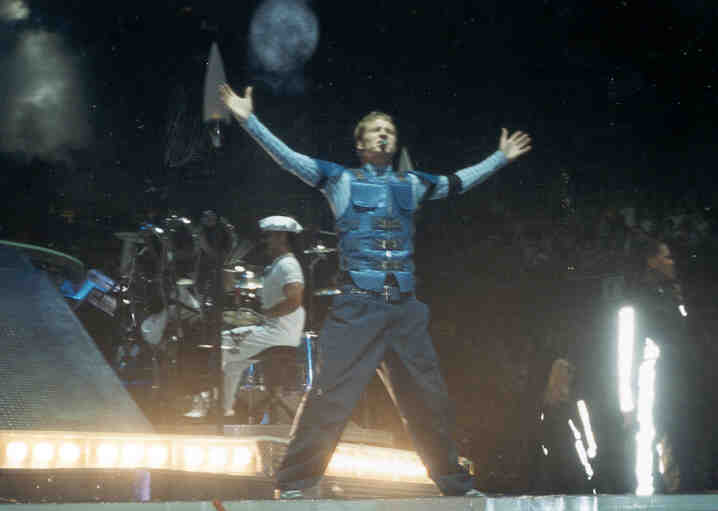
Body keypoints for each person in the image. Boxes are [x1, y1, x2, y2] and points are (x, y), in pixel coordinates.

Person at [220, 84, 532, 498]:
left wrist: (500, 157)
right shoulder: (339, 179)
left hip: (402, 309)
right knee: (330, 395)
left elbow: (458, 182)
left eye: (390, 130)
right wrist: (249, 121)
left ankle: (455, 485)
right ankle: (295, 483)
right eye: (376, 130)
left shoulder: (413, 183)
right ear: (361, 143)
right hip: (358, 308)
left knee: (429, 400)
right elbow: (288, 158)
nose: (384, 134)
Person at [221, 215, 306, 418]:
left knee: (219, 346)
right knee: (232, 365)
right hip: (277, 332)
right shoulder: (278, 265)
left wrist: (265, 315)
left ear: (281, 237)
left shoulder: (287, 265)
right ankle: (224, 410)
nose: (264, 241)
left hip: (276, 333)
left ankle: (203, 404)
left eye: (268, 236)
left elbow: (294, 299)